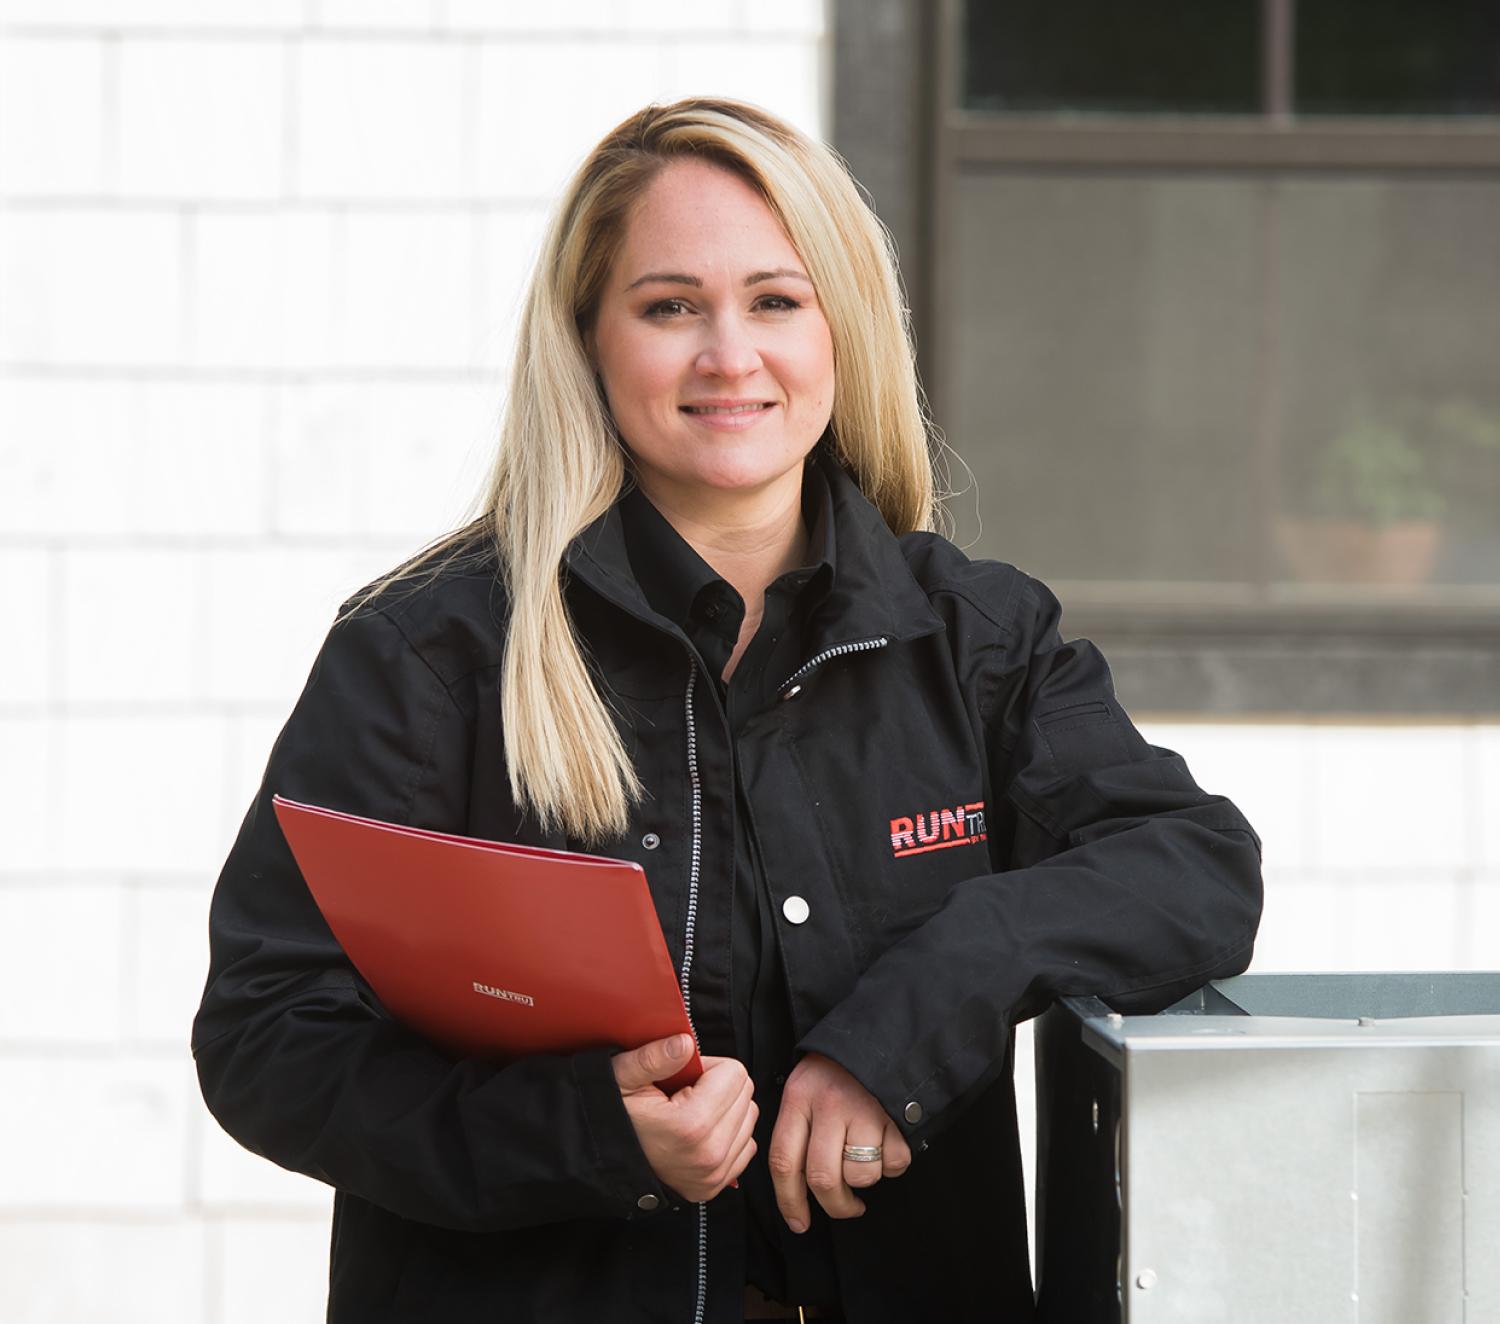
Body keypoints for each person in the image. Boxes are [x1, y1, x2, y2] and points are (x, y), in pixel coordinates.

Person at [193, 97, 1262, 1323]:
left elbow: (1195, 865)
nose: (728, 355)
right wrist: (588, 1136)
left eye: (775, 299)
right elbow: (269, 1036)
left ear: (840, 328)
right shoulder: (428, 652)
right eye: (669, 306)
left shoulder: (973, 639)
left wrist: (914, 1017)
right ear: (590, 339)